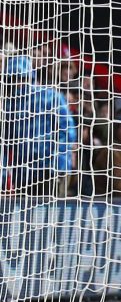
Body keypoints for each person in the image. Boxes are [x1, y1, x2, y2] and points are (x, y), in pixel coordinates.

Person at [1, 54, 77, 196]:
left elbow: (67, 131)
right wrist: (5, 173)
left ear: (30, 77)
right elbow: (6, 142)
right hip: (25, 173)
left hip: (51, 170)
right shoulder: (9, 106)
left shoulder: (51, 96)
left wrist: (56, 158)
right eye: (13, 79)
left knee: (51, 215)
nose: (17, 83)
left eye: (20, 78)